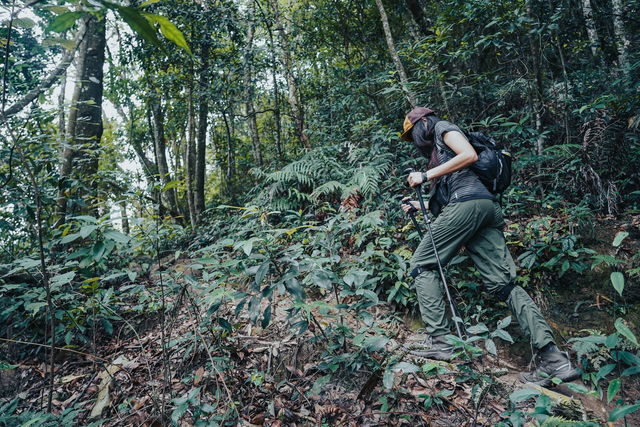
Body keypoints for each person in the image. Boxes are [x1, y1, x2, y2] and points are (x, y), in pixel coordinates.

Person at [399, 107, 579, 387]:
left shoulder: (442, 128)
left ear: (424, 122)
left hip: (468, 205)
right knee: (504, 284)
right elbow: (455, 194)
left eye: (413, 134)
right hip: (484, 209)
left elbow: (468, 155)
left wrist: (425, 175)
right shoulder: (438, 152)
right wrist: (420, 203)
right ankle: (553, 359)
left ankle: (439, 340)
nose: (414, 142)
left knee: (422, 263)